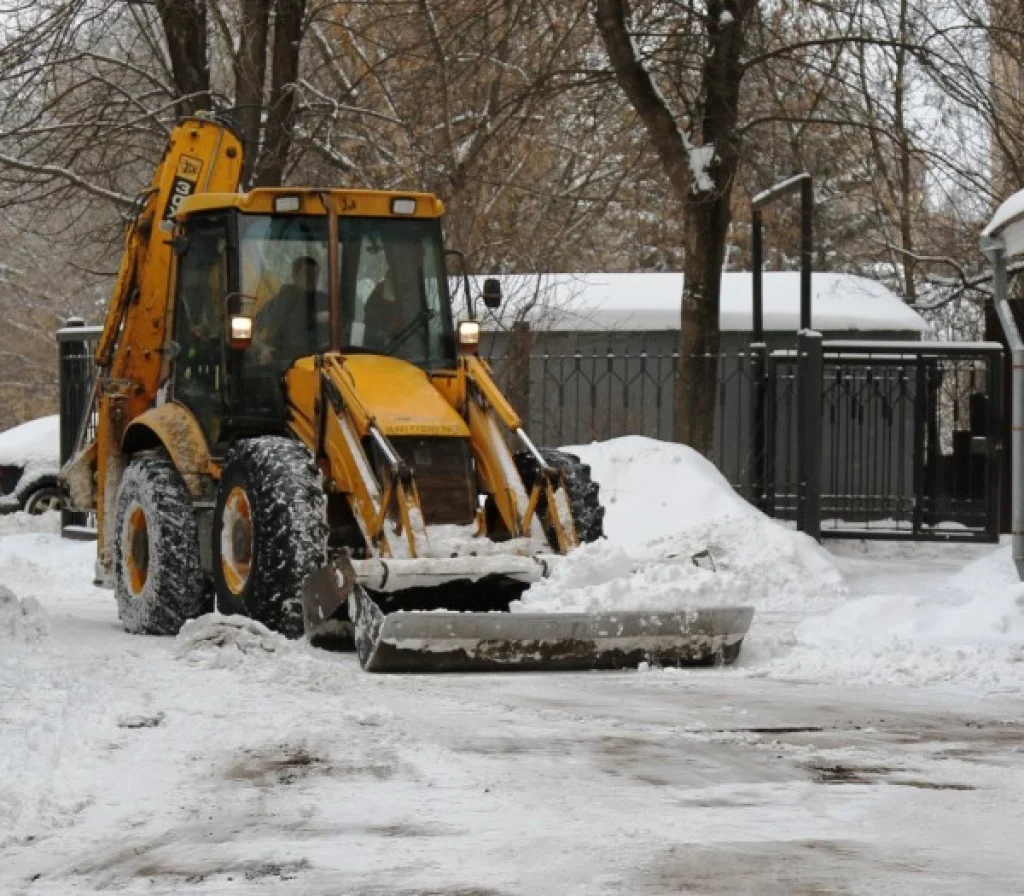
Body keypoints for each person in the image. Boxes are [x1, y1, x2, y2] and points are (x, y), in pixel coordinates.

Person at [254, 255, 329, 363]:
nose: (312, 279)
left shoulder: (325, 302)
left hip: (316, 361)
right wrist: (263, 349)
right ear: (295, 275)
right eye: (307, 275)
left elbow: (343, 328)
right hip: (281, 361)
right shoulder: (281, 300)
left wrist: (331, 319)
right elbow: (253, 333)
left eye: (315, 275)